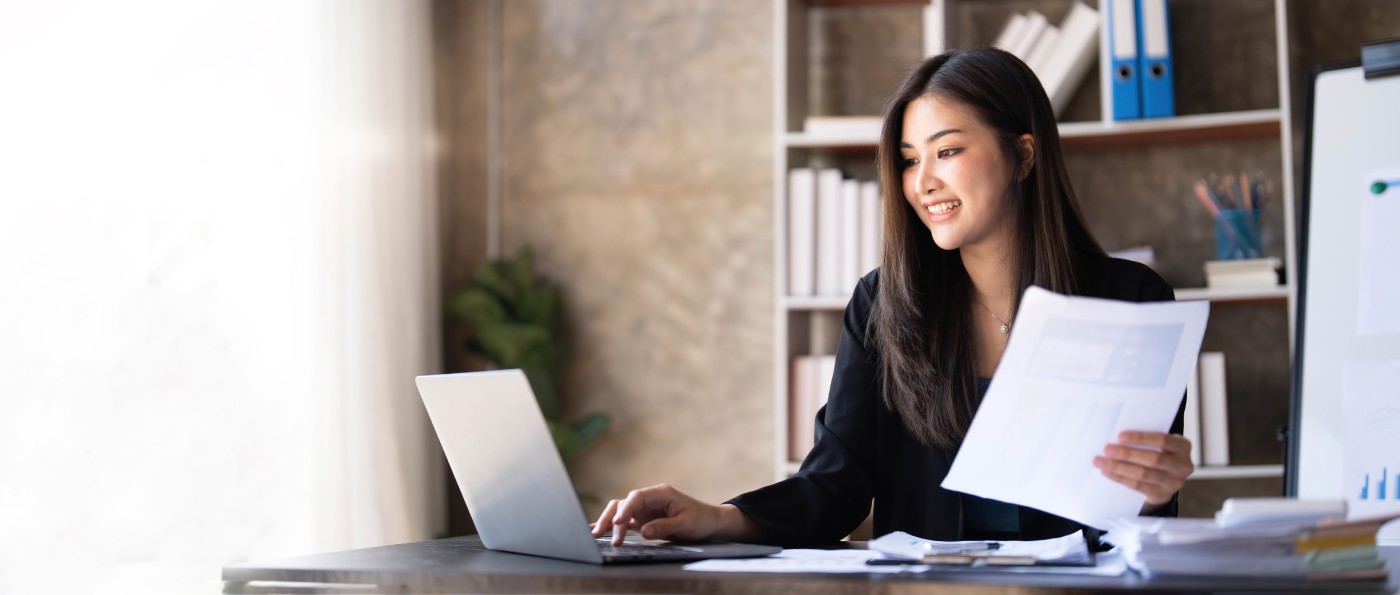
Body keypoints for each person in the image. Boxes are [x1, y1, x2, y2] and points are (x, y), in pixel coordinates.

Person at [590, 47, 1194, 548]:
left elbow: (1137, 514)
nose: (923, 181)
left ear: (1024, 155)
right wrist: (716, 517)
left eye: (948, 151)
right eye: (909, 160)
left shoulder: (1131, 301)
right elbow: (835, 488)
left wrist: (1160, 490)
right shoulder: (884, 305)